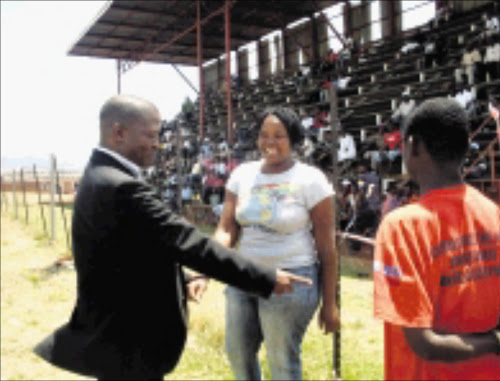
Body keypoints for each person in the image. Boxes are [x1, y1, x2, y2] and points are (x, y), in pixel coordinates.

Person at [33, 95, 312, 381]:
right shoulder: (121, 186)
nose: (158, 143)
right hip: (129, 339)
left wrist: (185, 279)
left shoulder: (101, 175)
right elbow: (187, 243)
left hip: (117, 336)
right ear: (119, 133)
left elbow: (136, 253)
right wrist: (265, 278)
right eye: (151, 135)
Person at [373, 97, 500, 381]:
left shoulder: (402, 227)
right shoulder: (494, 214)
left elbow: (425, 344)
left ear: (415, 145)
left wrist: (496, 342)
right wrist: (498, 341)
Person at [213, 106, 339, 380]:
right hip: (243, 275)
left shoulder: (311, 180)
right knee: (238, 354)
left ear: (293, 139)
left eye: (279, 135)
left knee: (281, 362)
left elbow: (327, 250)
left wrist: (330, 304)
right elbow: (226, 228)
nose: (270, 142)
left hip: (292, 281)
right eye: (264, 135)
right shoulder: (242, 175)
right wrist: (206, 263)